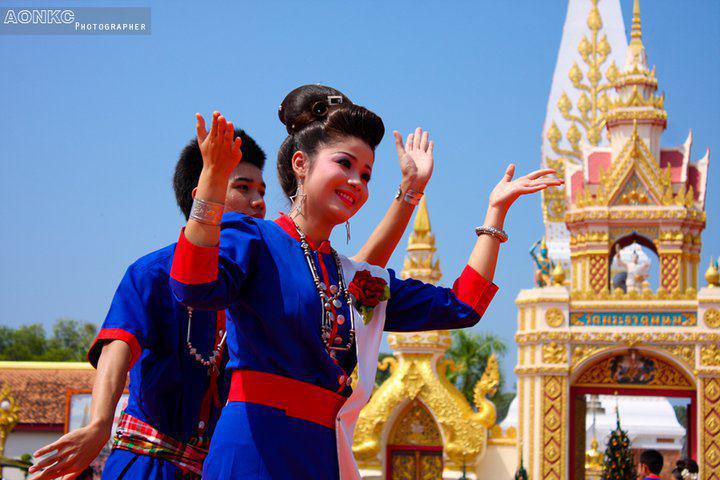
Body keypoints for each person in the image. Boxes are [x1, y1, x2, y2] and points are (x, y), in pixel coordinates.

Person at [169, 84, 563, 479]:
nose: (357, 181)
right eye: (344, 163)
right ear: (301, 164)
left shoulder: (353, 277)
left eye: (367, 174)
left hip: (323, 453)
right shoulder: (255, 240)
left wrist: (495, 213)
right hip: (254, 449)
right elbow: (192, 285)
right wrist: (212, 183)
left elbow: (464, 305)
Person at [29, 105, 425, 480]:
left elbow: (352, 280)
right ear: (206, 187)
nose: (257, 201)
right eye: (242, 187)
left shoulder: (260, 270)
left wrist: (409, 193)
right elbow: (119, 346)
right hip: (147, 464)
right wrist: (99, 425)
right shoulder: (153, 272)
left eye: (262, 189)